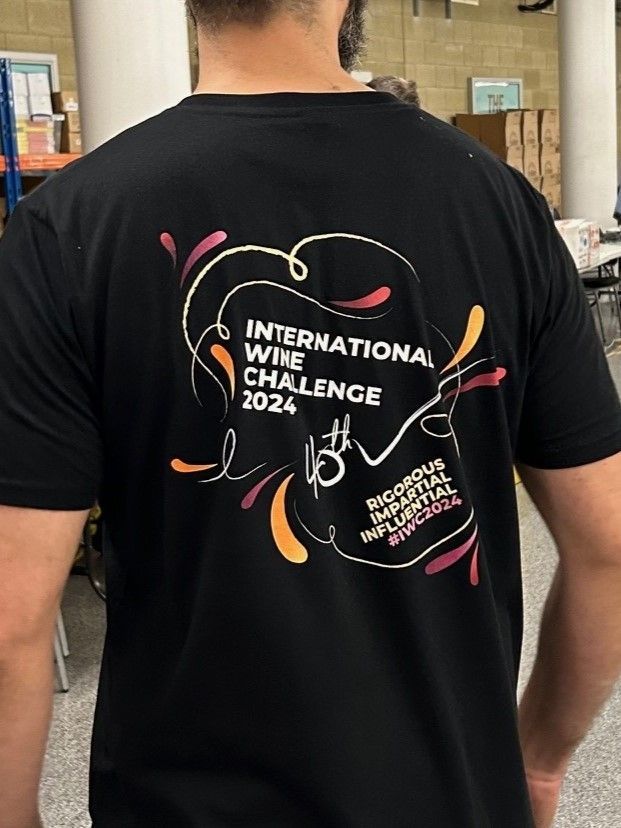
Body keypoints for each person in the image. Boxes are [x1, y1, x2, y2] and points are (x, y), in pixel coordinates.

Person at [0, 2, 620, 826]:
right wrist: (537, 764)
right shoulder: (497, 204)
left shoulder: (73, 221)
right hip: (449, 795)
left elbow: (11, 616)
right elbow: (609, 546)